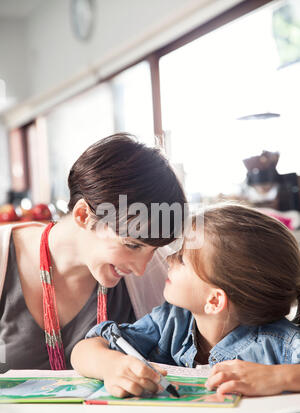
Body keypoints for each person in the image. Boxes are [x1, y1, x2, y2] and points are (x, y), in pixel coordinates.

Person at [71, 203, 300, 398]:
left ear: (214, 300)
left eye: (181, 258)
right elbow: (83, 350)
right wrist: (112, 365)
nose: (169, 258)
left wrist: (279, 377)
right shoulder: (170, 321)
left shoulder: (281, 343)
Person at [0, 133, 187, 370]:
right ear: (83, 215)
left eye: (153, 250)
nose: (140, 269)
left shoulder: (156, 272)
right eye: (132, 245)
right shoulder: (5, 259)